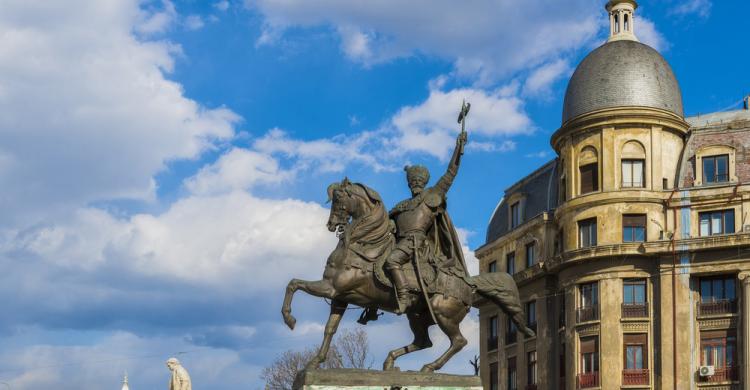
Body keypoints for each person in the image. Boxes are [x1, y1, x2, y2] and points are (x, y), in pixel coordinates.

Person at [386, 130, 468, 313]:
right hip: (398, 242)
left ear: (424, 182)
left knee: (392, 261)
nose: (415, 183)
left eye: (418, 181)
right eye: (412, 181)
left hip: (416, 243)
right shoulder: (402, 205)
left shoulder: (433, 195)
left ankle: (405, 297)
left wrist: (458, 148)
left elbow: (450, 173)